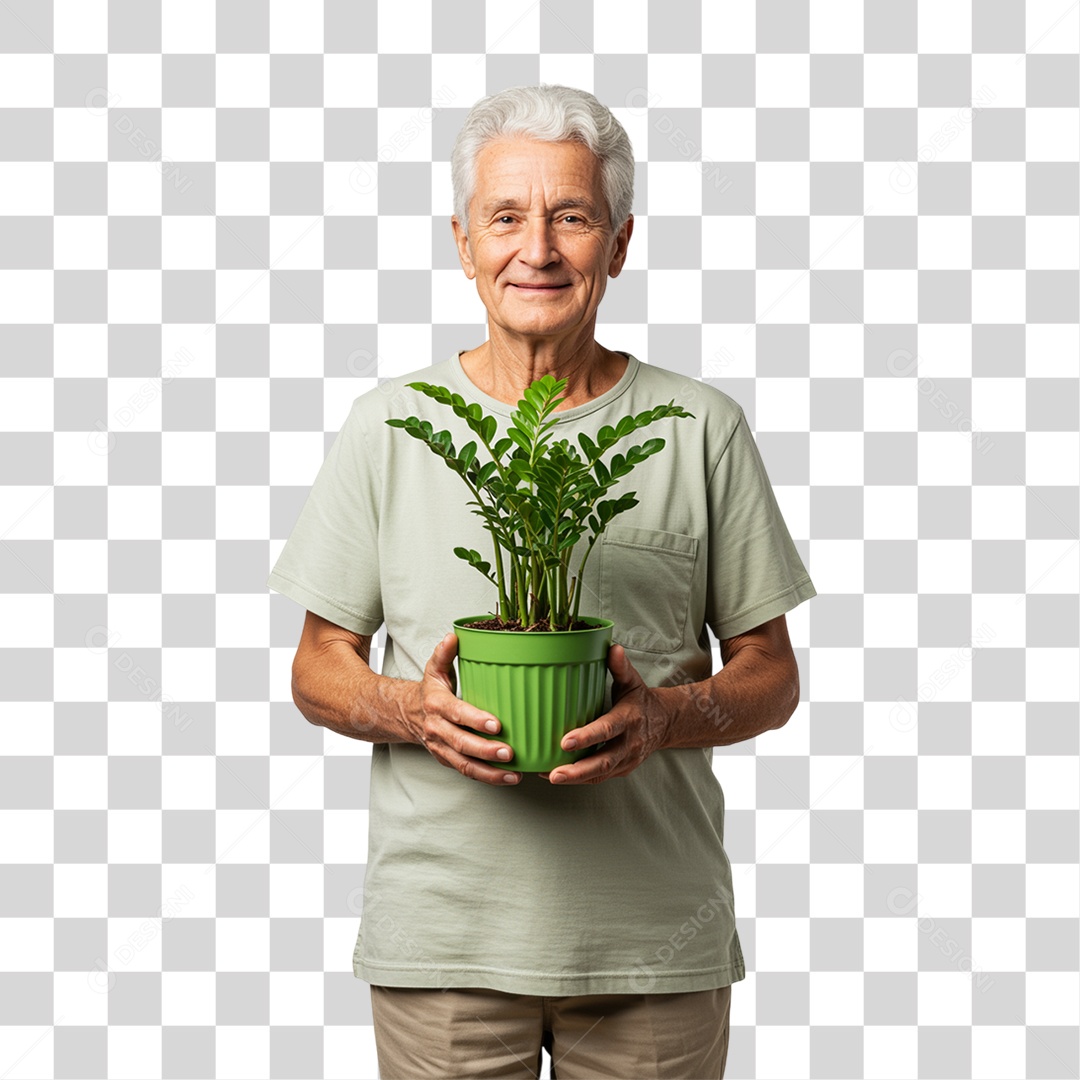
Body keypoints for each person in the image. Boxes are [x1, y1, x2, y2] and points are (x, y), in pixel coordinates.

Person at [268, 84, 817, 1080]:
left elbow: (771, 675)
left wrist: (663, 716)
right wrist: (411, 710)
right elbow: (317, 666)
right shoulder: (387, 426)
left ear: (620, 243)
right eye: (506, 218)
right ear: (463, 242)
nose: (539, 249)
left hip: (653, 945)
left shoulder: (702, 428)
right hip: (444, 945)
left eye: (572, 217)